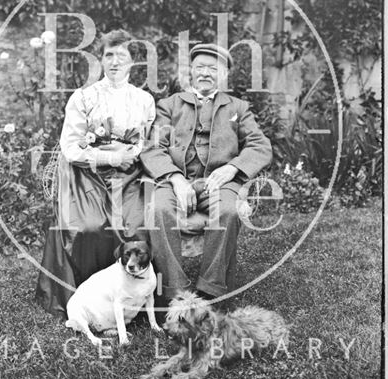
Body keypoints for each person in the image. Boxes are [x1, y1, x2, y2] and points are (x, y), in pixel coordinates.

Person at [35, 30, 156, 317]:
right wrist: (110, 156)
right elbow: (70, 147)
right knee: (88, 228)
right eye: (108, 55)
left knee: (136, 227)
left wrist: (131, 155)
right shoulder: (84, 97)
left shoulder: (144, 101)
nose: (115, 62)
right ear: (100, 60)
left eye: (122, 56)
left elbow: (148, 144)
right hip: (86, 175)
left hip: (128, 177)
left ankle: (133, 296)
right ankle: (88, 300)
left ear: (133, 62)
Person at [140, 43, 272, 300]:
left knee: (228, 210)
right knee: (158, 210)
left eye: (213, 69)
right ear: (190, 72)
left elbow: (261, 146)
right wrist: (176, 179)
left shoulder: (238, 108)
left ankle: (211, 290)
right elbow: (153, 147)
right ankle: (175, 291)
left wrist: (233, 167)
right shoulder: (169, 105)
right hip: (175, 181)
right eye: (199, 67)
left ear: (223, 76)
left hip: (219, 185)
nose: (205, 74)